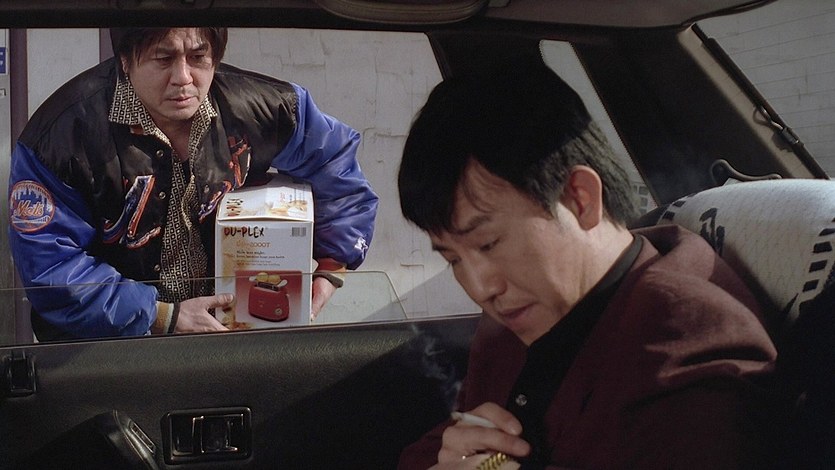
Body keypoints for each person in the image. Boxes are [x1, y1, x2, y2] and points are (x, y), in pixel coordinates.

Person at [396, 55, 779, 469]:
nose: (480, 288)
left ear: (580, 199)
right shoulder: (510, 329)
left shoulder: (688, 342)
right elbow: (443, 445)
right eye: (453, 259)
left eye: (488, 244)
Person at [8, 28, 378, 341]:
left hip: (231, 336)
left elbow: (336, 167)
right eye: (163, 59)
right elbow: (52, 270)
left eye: (198, 57)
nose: (183, 78)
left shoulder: (264, 106)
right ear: (125, 59)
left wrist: (331, 268)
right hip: (108, 351)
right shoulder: (60, 136)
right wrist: (163, 316)